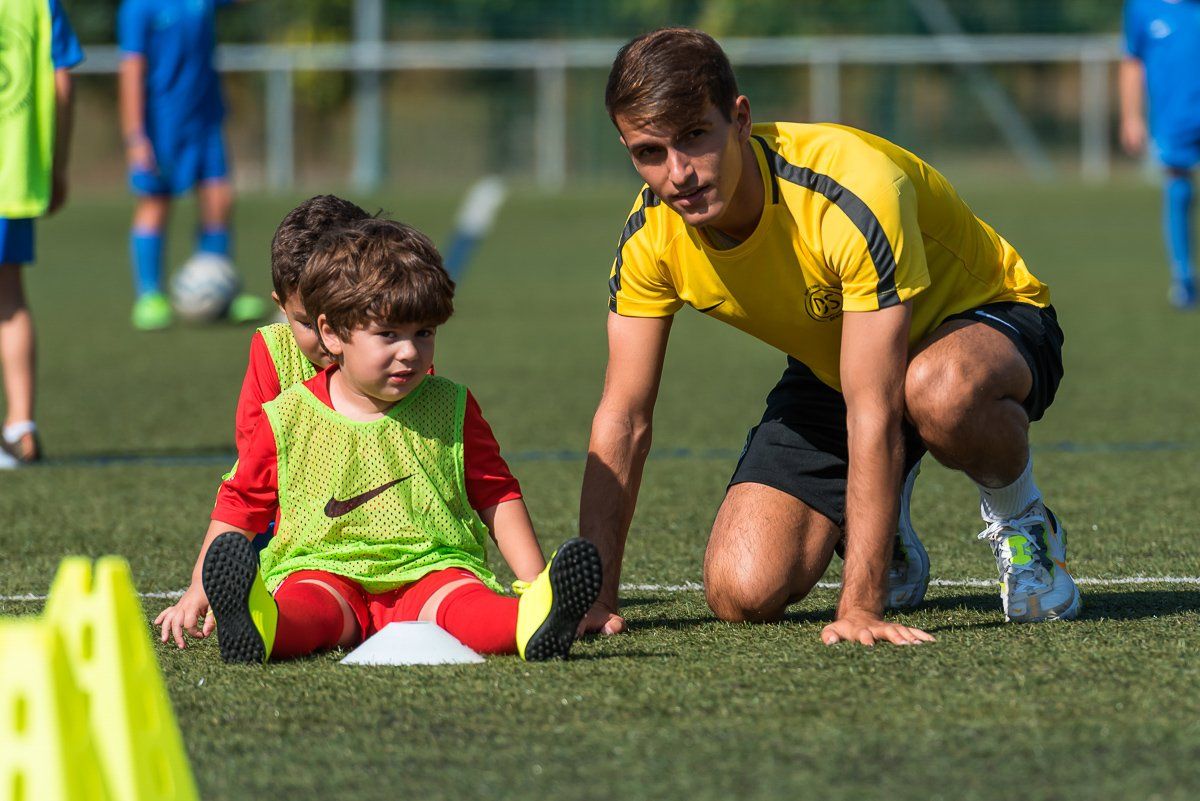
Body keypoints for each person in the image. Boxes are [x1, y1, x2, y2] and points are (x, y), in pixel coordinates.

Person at [579, 28, 1077, 646]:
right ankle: (883, 516)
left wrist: (861, 607)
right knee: (742, 592)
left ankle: (1025, 522)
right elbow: (623, 418)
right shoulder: (650, 239)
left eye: (694, 137)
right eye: (650, 152)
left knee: (937, 392)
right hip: (844, 358)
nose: (677, 173)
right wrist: (594, 598)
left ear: (739, 119)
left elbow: (874, 408)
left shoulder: (852, 191)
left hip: (987, 322)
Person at [155, 218, 602, 662]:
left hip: (429, 570)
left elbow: (496, 493)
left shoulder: (452, 405)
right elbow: (240, 503)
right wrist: (200, 588)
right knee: (308, 609)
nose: (410, 351)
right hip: (325, 570)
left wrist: (533, 583)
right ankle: (262, 625)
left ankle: (532, 620)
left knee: (466, 607)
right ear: (332, 333)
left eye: (423, 333)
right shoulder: (287, 415)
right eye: (388, 334)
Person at [117, 0, 264, 330]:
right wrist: (135, 135)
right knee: (155, 203)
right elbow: (131, 71)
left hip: (205, 122)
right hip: (161, 125)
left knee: (219, 200)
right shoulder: (138, 8)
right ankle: (150, 296)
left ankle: (219, 284)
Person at [0, 0, 83, 466]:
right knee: (9, 298)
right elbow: (63, 83)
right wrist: (57, 164)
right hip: (13, 174)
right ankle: (21, 427)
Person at [1120, 0, 1200, 309]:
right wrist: (1131, 116)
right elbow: (1132, 60)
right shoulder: (1142, 8)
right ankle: (1184, 277)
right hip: (1173, 116)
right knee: (1178, 188)